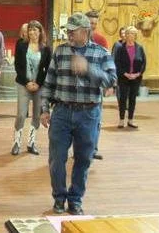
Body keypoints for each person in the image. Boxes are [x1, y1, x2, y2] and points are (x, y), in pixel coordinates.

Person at [40, 12, 116, 216]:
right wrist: (44, 110)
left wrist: (89, 69)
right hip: (62, 112)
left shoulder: (102, 53)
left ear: (86, 31)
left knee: (83, 158)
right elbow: (49, 82)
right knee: (57, 158)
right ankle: (59, 197)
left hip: (88, 114)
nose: (69, 34)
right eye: (68, 30)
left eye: (73, 31)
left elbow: (111, 80)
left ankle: (75, 199)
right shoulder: (60, 51)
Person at [12, 20, 51, 155]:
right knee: (21, 114)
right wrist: (27, 82)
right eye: (30, 29)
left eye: (35, 29)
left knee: (36, 115)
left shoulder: (46, 48)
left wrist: (38, 83)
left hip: (38, 86)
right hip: (23, 84)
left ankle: (31, 143)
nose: (32, 32)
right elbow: (17, 65)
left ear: (40, 32)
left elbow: (47, 70)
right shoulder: (21, 45)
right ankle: (16, 142)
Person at [86, 10, 110, 160]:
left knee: (96, 118)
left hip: (96, 84)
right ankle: (79, 150)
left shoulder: (101, 40)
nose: (93, 26)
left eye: (95, 23)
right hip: (79, 84)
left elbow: (106, 62)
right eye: (90, 23)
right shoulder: (76, 38)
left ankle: (93, 149)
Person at [113, 26, 146, 129]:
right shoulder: (120, 48)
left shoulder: (139, 48)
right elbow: (117, 63)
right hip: (124, 77)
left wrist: (138, 74)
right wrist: (125, 73)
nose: (129, 36)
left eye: (131, 34)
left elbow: (143, 63)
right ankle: (121, 120)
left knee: (132, 99)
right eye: (127, 34)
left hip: (136, 78)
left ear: (135, 36)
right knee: (122, 98)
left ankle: (131, 120)